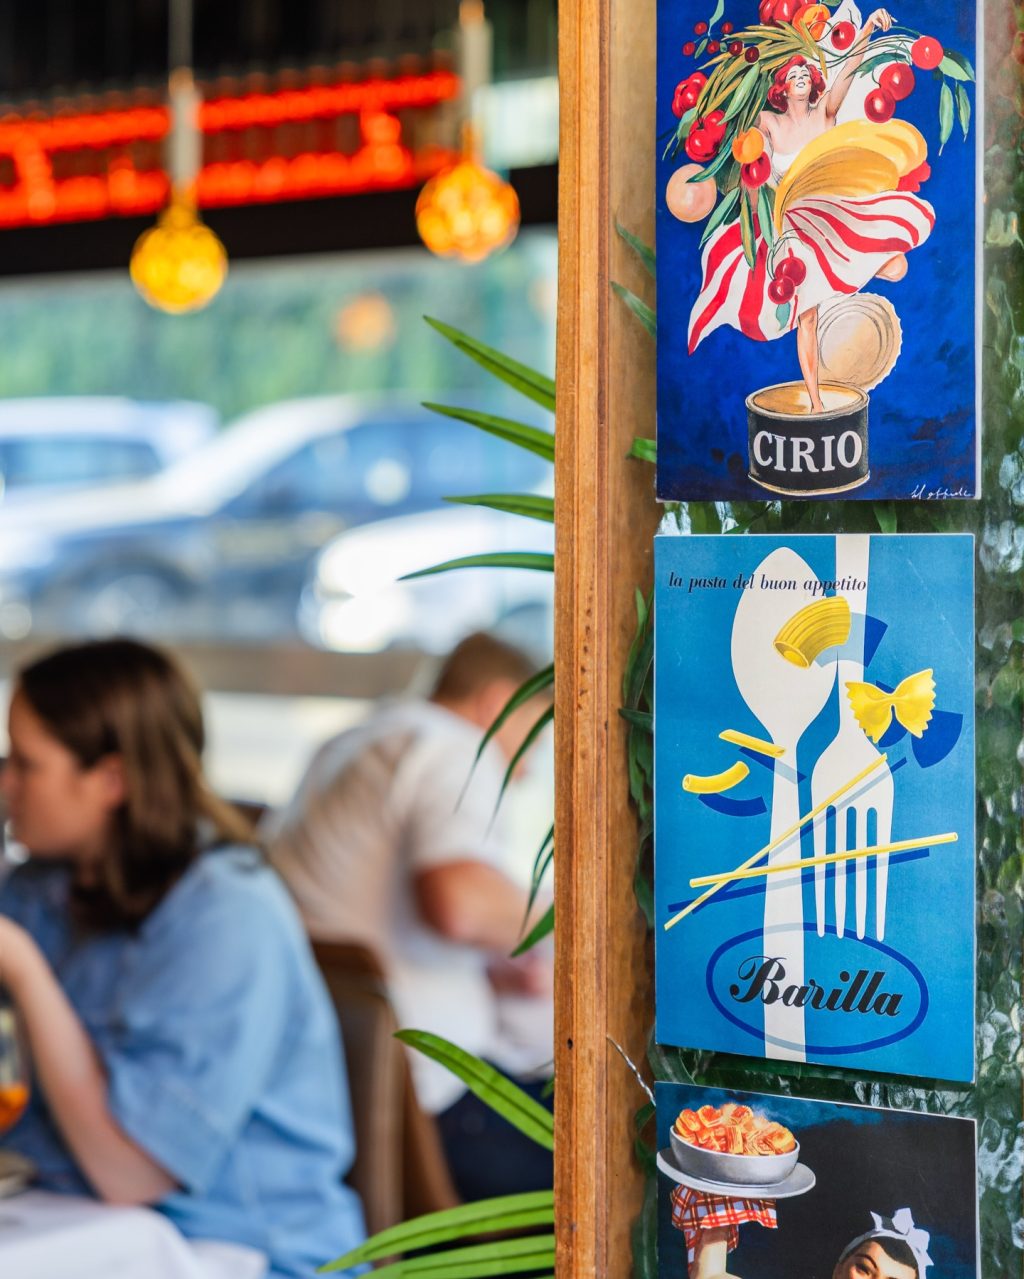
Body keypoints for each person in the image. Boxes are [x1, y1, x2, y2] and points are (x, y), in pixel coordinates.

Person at [0, 639, 365, 1278]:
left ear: (110, 779)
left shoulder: (226, 913)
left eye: (24, 765)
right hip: (71, 1215)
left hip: (238, 1246)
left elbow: (130, 1172)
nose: (5, 783)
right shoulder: (42, 886)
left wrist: (25, 973)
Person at [265, 631, 553, 1202]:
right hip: (436, 1103)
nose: (530, 768)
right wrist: (580, 923)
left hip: (337, 1085)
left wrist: (492, 968)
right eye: (536, 734)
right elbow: (459, 904)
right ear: (498, 704)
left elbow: (364, 916)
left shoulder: (354, 742)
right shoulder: (451, 746)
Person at [687, 9, 935, 413]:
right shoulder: (765, 122)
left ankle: (851, 284)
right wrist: (761, 219)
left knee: (893, 266)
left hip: (828, 212)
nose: (802, 76)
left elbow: (850, 70)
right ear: (781, 86)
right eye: (794, 74)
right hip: (789, 225)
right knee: (807, 318)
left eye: (807, 72)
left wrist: (869, 28)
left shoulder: (826, 114)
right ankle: (816, 400)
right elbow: (752, 169)